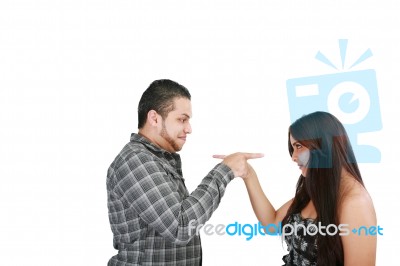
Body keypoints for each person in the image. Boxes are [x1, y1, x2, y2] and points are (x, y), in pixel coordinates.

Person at [106, 79, 263, 265]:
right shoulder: (135, 160)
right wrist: (225, 171)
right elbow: (180, 227)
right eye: (182, 119)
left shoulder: (157, 159)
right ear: (154, 118)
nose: (189, 129)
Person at [238, 111, 377, 265]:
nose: (293, 157)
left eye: (299, 146)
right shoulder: (317, 187)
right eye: (293, 147)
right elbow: (272, 224)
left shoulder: (355, 203)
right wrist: (248, 174)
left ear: (324, 145)